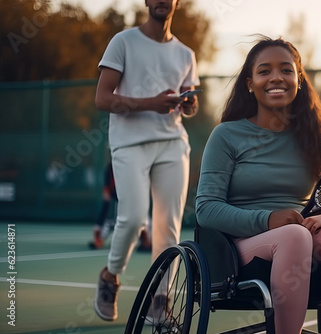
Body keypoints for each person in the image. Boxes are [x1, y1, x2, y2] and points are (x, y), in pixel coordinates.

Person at [196, 37, 321, 334]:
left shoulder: (316, 137)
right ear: (250, 83)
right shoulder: (226, 135)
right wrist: (269, 220)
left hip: (304, 241)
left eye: (286, 70)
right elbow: (206, 209)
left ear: (299, 79)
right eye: (265, 71)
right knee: (292, 237)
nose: (276, 77)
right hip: (240, 249)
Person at [93, 0, 200, 321]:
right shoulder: (123, 42)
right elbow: (102, 98)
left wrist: (188, 103)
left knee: (168, 227)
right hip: (129, 144)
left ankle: (160, 299)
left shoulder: (186, 54)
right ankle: (110, 276)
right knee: (133, 217)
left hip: (172, 144)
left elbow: (187, 103)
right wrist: (151, 104)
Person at [88, 162, 151, 252]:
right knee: (109, 221)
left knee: (142, 219)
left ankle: (146, 241)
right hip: (118, 198)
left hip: (133, 199)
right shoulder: (110, 168)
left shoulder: (134, 168)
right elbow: (107, 192)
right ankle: (99, 239)